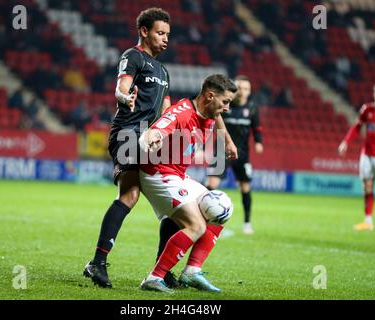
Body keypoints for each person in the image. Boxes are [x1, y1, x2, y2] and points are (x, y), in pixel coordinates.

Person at [83, 7, 238, 289]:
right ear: (144, 31)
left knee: (174, 208)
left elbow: (166, 108)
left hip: (153, 139)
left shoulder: (163, 70)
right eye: (160, 33)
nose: (166, 39)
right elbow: (122, 86)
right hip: (129, 135)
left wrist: (168, 133)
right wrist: (123, 97)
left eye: (168, 34)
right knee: (129, 195)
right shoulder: (133, 56)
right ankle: (98, 262)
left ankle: (163, 270)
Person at [138, 74, 238, 293]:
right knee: (196, 225)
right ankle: (154, 278)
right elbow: (157, 127)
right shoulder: (181, 113)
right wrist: (151, 138)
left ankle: (192, 272)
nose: (227, 108)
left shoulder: (210, 111)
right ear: (210, 96)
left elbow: (217, 120)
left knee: (221, 210)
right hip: (158, 173)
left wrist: (228, 142)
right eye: (225, 102)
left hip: (178, 174)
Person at [206, 76, 263, 235]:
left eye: (246, 89)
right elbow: (213, 122)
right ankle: (202, 219)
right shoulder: (224, 106)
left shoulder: (252, 108)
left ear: (249, 92)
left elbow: (256, 128)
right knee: (211, 185)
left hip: (243, 154)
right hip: (221, 150)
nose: (242, 92)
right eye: (240, 88)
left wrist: (259, 142)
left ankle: (247, 223)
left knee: (245, 188)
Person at [338, 81, 375, 232]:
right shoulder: (367, 110)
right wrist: (345, 142)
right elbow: (356, 127)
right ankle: (368, 221)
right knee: (367, 186)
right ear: (374, 93)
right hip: (367, 155)